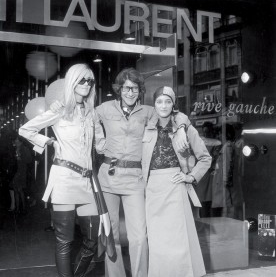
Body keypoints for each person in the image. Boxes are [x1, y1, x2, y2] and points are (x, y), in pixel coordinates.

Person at [51, 67, 190, 277]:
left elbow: (174, 114)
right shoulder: (103, 109)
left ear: (140, 90)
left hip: (135, 180)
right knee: (111, 235)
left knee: (139, 237)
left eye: (134, 88)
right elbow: (78, 111)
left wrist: (180, 128)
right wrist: (59, 106)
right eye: (126, 88)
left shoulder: (149, 112)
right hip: (108, 177)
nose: (130, 93)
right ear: (119, 89)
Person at [19, 63, 114, 277]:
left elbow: (100, 145)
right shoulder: (59, 110)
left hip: (88, 182)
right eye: (82, 80)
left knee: (92, 239)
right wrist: (49, 141)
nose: (87, 85)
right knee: (64, 241)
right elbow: (25, 129)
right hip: (64, 180)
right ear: (72, 82)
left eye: (90, 81)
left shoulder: (91, 113)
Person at [142, 86, 211, 277]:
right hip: (152, 190)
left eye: (168, 101)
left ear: (173, 104)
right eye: (159, 101)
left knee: (179, 243)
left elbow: (205, 158)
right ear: (153, 104)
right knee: (157, 244)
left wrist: (190, 176)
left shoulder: (186, 128)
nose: (163, 105)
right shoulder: (146, 126)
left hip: (175, 188)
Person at [9, 134, 32, 214]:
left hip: (21, 171)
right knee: (17, 190)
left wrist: (20, 158)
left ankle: (22, 208)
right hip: (16, 171)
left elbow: (29, 160)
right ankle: (19, 208)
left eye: (17, 141)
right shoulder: (15, 149)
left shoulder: (24, 149)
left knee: (19, 190)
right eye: (15, 141)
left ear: (20, 141)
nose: (15, 142)